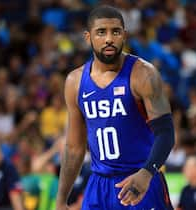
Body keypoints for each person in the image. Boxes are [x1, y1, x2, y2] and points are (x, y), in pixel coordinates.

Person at [56, 5, 175, 210]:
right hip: (99, 185)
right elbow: (74, 148)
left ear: (124, 35)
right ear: (88, 37)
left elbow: (166, 133)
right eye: (101, 32)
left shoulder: (143, 74)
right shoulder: (74, 82)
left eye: (116, 31)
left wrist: (147, 172)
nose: (109, 38)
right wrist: (61, 200)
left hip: (140, 179)